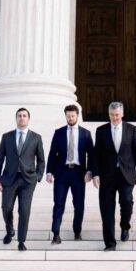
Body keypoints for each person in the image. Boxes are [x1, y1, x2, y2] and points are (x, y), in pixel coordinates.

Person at [93, 101, 136, 250]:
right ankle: (110, 243)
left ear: (122, 114)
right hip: (107, 175)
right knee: (107, 208)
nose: (115, 118)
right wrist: (95, 173)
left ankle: (125, 225)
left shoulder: (131, 129)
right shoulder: (101, 130)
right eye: (112, 115)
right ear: (108, 115)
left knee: (126, 201)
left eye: (117, 115)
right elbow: (96, 155)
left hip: (126, 173)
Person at [0, 107, 45, 251]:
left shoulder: (36, 138)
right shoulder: (7, 137)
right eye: (19, 116)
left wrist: (38, 177)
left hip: (28, 180)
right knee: (6, 207)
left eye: (24, 116)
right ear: (16, 118)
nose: (22, 118)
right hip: (9, 178)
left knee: (24, 210)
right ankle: (10, 230)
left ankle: (21, 241)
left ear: (28, 119)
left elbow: (41, 160)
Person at [45, 104, 95, 243]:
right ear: (65, 116)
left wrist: (90, 171)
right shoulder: (59, 132)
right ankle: (56, 233)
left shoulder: (86, 133)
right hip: (62, 173)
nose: (70, 118)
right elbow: (52, 154)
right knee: (58, 203)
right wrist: (49, 172)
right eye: (68, 116)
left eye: (73, 116)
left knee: (79, 205)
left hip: (79, 174)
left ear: (77, 116)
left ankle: (77, 231)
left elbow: (91, 155)